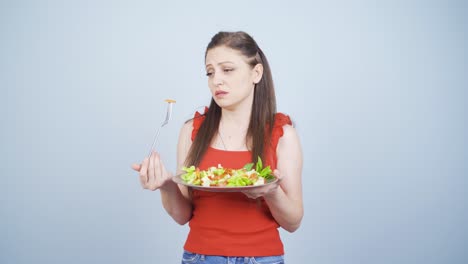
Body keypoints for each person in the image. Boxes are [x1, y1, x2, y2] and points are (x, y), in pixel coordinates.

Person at [132, 31, 303, 264]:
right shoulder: (192, 131)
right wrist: (165, 185)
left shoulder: (283, 135)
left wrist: (271, 191)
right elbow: (183, 215)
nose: (216, 80)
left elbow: (293, 222)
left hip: (263, 258)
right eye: (210, 72)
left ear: (256, 73)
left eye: (228, 70)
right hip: (199, 257)